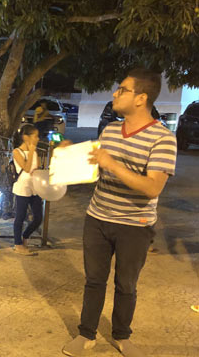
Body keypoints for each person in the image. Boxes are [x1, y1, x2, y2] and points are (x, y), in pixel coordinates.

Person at [62, 68, 177, 357]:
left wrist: (112, 164)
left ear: (141, 98)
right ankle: (86, 333)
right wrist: (70, 154)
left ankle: (122, 336)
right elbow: (95, 166)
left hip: (135, 225)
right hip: (98, 217)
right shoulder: (111, 129)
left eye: (122, 89)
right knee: (94, 280)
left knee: (126, 284)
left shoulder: (163, 138)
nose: (115, 93)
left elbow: (153, 188)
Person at [11, 124, 43, 256]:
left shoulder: (35, 152)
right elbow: (27, 167)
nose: (38, 139)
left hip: (34, 188)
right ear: (26, 137)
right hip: (22, 188)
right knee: (20, 217)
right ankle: (18, 244)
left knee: (38, 217)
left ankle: (25, 236)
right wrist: (30, 151)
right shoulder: (16, 152)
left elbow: (36, 170)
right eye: (35, 136)